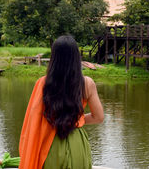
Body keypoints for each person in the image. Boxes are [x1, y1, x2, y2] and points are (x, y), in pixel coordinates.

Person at [19, 35, 104, 169]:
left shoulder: (43, 83)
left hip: (50, 145)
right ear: (76, 57)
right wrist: (74, 119)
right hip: (77, 143)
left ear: (54, 58)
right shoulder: (87, 83)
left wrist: (58, 120)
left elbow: (33, 121)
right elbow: (98, 117)